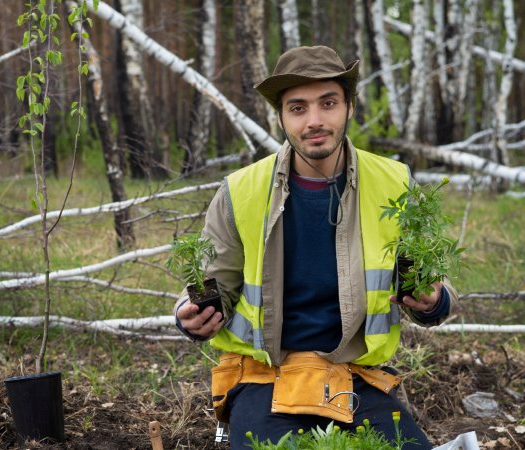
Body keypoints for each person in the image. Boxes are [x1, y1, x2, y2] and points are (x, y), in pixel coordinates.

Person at [173, 45, 457, 449]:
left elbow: (432, 284)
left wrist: (433, 301)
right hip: (265, 376)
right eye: (298, 108)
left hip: (358, 375)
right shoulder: (240, 191)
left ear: (350, 107)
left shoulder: (394, 182)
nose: (315, 121)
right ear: (281, 117)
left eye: (328, 103)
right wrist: (189, 315)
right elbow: (212, 281)